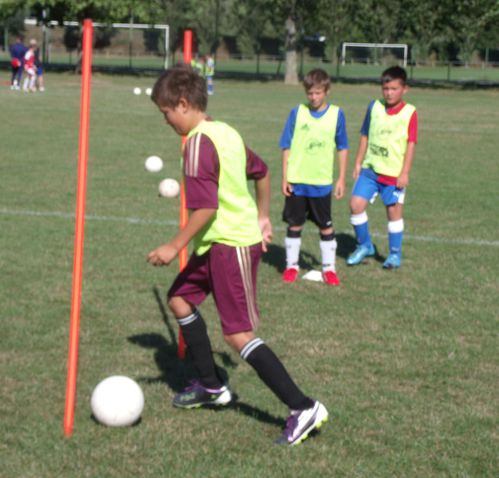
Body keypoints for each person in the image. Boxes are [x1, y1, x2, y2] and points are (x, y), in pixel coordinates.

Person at [147, 65, 328, 446]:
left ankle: (303, 406)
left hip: (229, 244)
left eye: (166, 112)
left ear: (182, 104)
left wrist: (173, 246)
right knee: (179, 300)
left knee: (237, 334)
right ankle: (212, 386)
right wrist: (263, 215)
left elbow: (206, 208)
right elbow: (260, 172)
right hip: (217, 242)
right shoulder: (224, 131)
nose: (165, 120)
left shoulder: (197, 142)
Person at [279, 68, 348, 285]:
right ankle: (291, 266)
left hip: (321, 182)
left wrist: (341, 178)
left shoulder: (337, 114)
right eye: (310, 93)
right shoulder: (297, 112)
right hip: (298, 180)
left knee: (325, 226)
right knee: (294, 224)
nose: (313, 97)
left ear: (327, 91)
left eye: (318, 92)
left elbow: (343, 147)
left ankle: (329, 268)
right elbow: (286, 145)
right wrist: (285, 176)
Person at [346, 65, 418, 269]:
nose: (389, 93)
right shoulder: (374, 107)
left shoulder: (410, 113)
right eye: (386, 88)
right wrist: (358, 162)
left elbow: (411, 143)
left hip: (393, 174)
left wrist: (405, 172)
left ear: (404, 89)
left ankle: (394, 254)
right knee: (355, 205)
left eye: (394, 89)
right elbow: (365, 135)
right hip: (370, 170)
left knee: (393, 213)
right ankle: (365, 245)